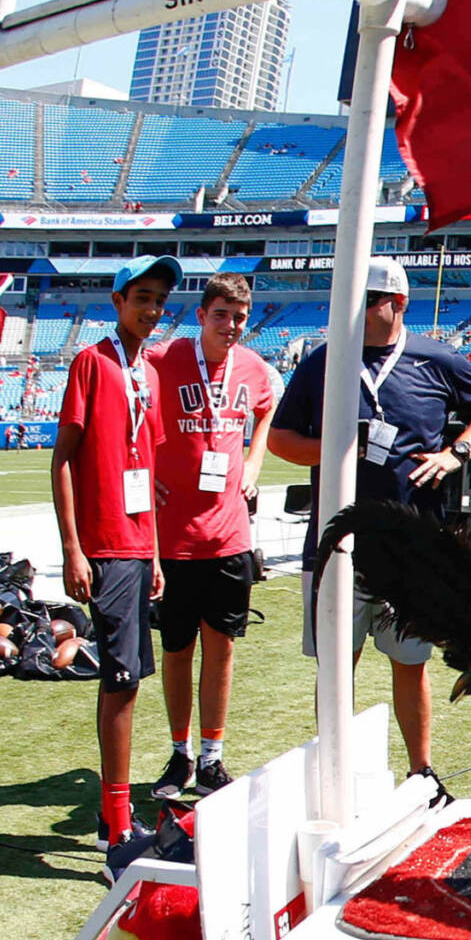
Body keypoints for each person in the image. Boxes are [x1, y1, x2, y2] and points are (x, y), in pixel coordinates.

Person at [268, 255, 471, 779]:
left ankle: (421, 771)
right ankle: (333, 772)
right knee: (336, 667)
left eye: (368, 302)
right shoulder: (323, 361)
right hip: (339, 541)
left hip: (413, 544)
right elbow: (280, 439)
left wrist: (456, 453)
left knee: (411, 662)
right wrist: (336, 449)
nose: (354, 312)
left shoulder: (435, 359)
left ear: (398, 303)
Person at [55, 256, 179, 854]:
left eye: (159, 301)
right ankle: (116, 823)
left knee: (130, 683)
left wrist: (153, 551)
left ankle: (118, 814)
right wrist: (73, 548)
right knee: (120, 682)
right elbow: (63, 460)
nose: (152, 311)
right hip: (102, 547)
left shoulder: (149, 374)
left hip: (136, 547)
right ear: (117, 300)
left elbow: (146, 469)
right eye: (142, 299)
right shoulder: (91, 362)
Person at [149, 271, 278, 802]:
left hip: (228, 535)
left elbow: (267, 410)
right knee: (177, 649)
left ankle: (211, 757)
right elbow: (128, 411)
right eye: (221, 315)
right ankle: (178, 754)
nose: (230, 326)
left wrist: (253, 461)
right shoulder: (160, 361)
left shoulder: (252, 368)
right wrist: (142, 466)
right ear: (201, 315)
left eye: (239, 317)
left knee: (221, 649)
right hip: (173, 534)